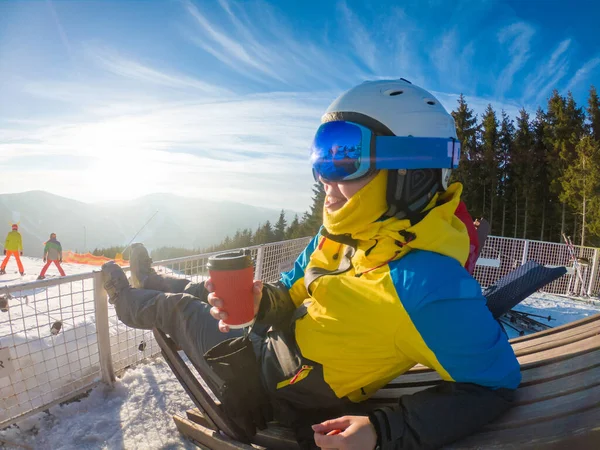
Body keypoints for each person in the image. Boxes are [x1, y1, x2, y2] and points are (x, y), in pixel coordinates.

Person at [101, 78, 520, 450]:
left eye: (344, 156)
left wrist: (382, 431)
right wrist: (264, 301)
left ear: (411, 172)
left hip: (276, 383)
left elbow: (494, 382)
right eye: (322, 155)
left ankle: (124, 298)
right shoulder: (341, 235)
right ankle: (155, 277)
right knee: (200, 291)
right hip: (268, 340)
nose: (323, 177)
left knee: (176, 309)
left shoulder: (427, 284)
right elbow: (292, 289)